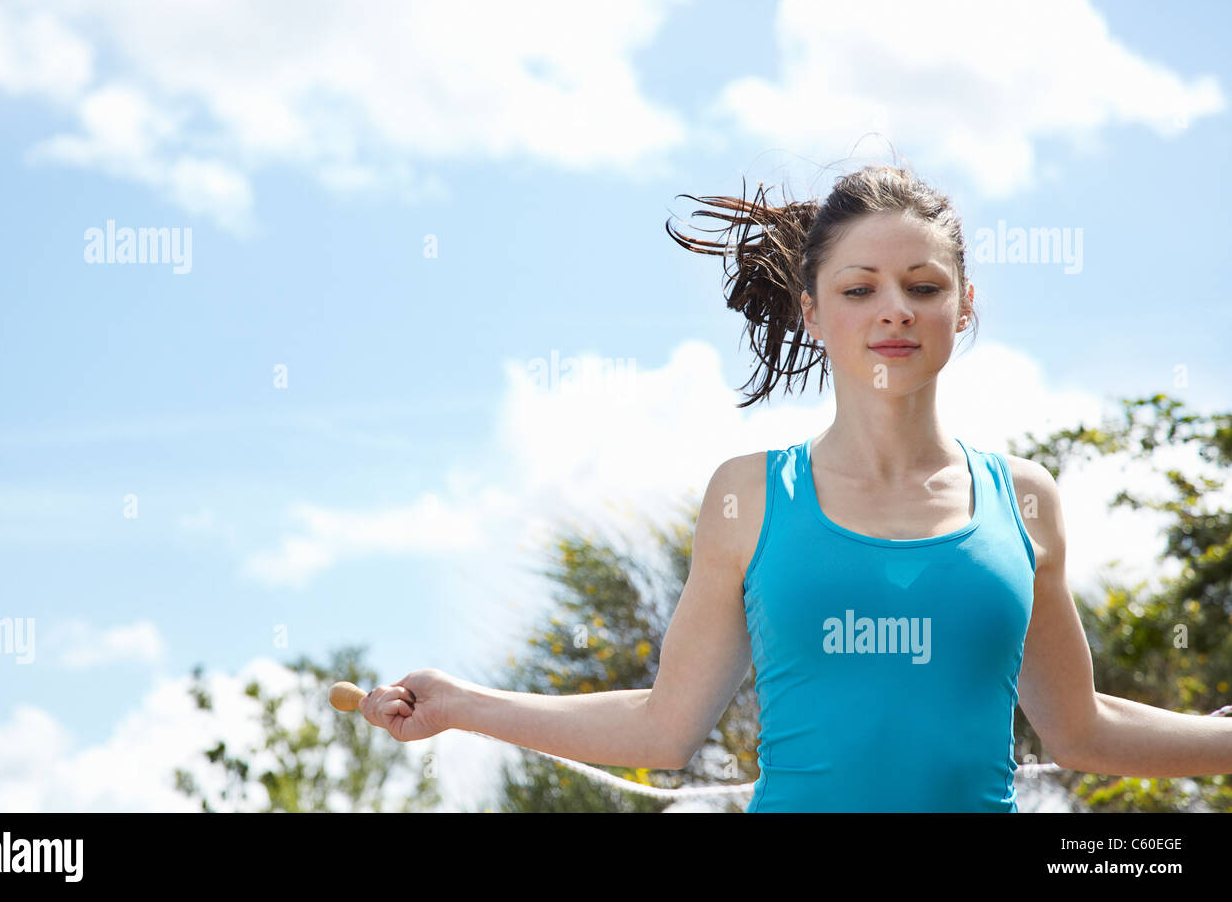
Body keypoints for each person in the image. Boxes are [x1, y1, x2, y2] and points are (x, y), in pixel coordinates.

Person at [354, 164, 1232, 811]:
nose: (895, 308)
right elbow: (663, 728)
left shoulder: (1026, 501)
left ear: (963, 306)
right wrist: (462, 706)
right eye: (861, 288)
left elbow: (1080, 729)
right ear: (812, 310)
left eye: (924, 286)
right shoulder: (747, 498)